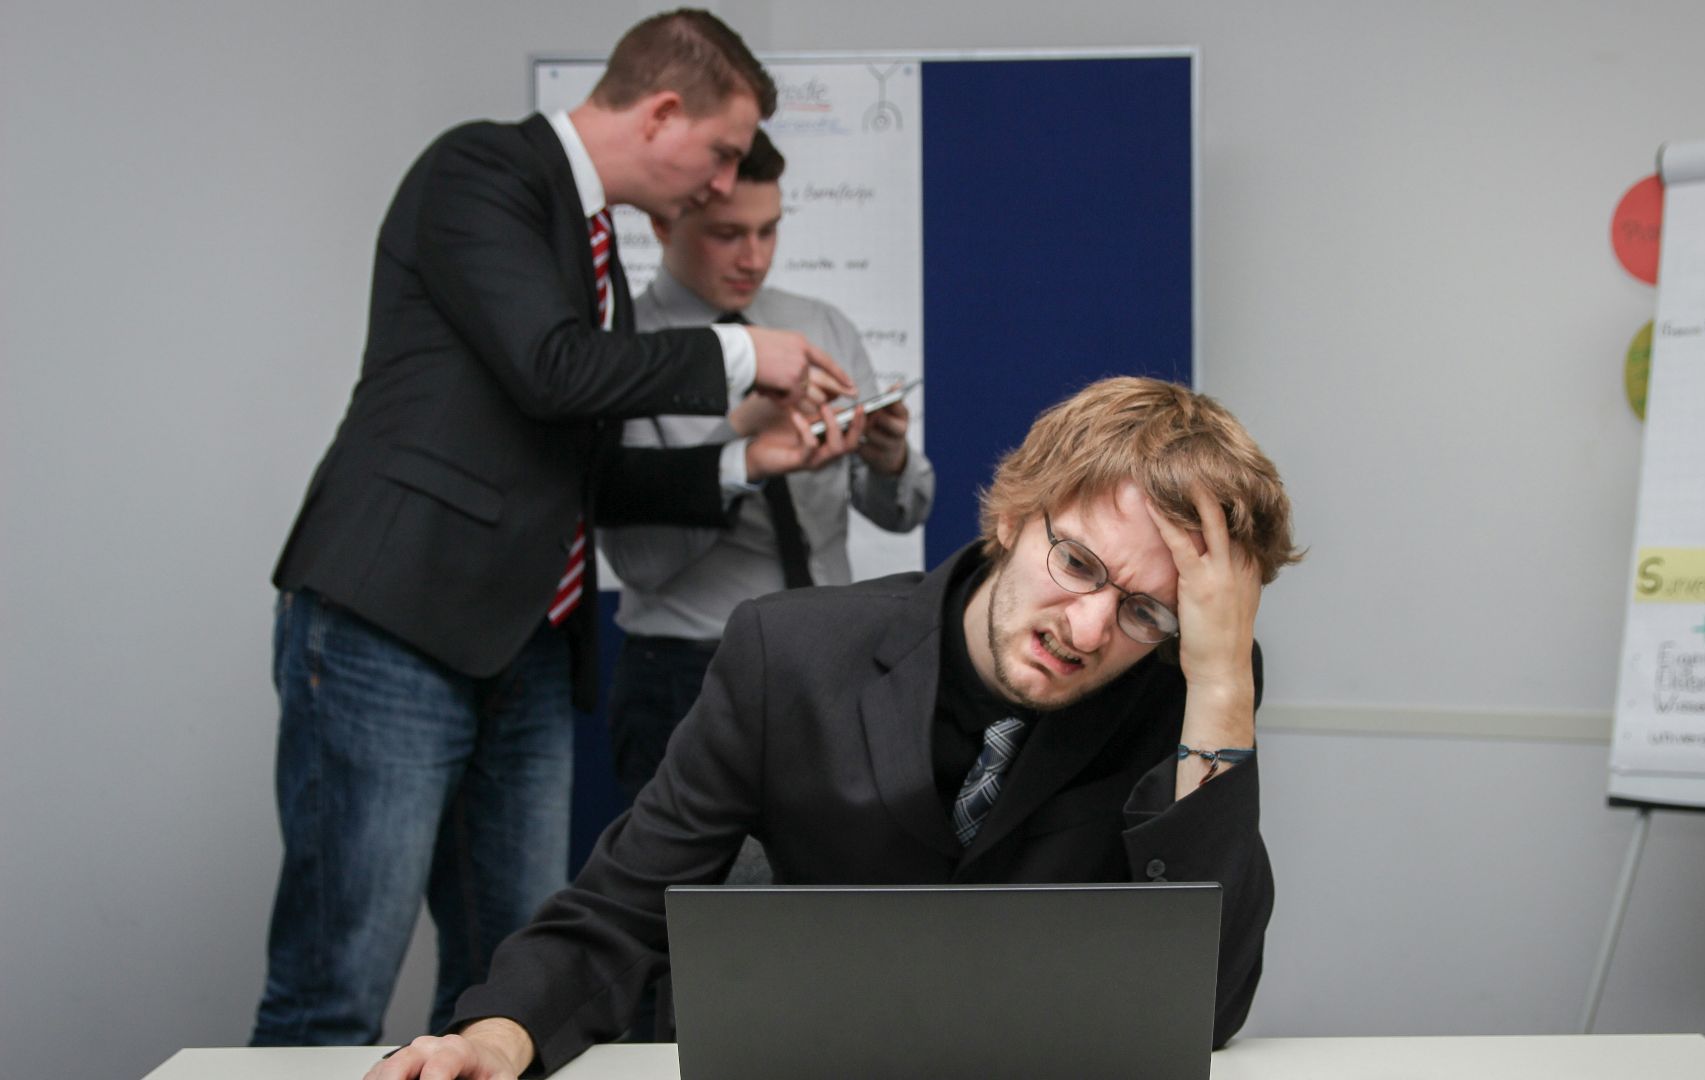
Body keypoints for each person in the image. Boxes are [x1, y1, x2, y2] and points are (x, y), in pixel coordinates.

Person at [368, 376, 1303, 1080]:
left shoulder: (1187, 688)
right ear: (1017, 515)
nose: (1093, 629)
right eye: (1078, 564)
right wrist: (496, 1032)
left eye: (1149, 611)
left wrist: (1220, 680)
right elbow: (625, 902)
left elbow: (1206, 1005)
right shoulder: (791, 655)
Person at [254, 9, 855, 1046]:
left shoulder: (592, 255)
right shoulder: (480, 172)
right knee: (335, 988)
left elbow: (586, 470)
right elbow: (550, 372)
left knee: (504, 994)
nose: (722, 185)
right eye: (718, 154)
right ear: (663, 111)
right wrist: (751, 356)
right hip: (396, 628)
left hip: (527, 648)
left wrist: (745, 460)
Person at [600, 128, 936, 806]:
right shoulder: (624, 349)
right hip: (687, 672)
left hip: (835, 662)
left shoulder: (821, 324)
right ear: (664, 222)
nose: (754, 256)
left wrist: (888, 456)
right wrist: (741, 444)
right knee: (687, 906)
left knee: (839, 900)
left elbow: (904, 510)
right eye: (727, 234)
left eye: (769, 231)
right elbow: (639, 563)